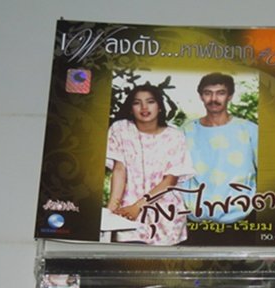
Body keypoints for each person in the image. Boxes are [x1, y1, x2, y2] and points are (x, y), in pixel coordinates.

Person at [106, 83, 195, 244]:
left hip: (165, 214)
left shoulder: (174, 136)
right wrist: (111, 211)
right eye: (137, 102)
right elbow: (119, 170)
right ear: (131, 108)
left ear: (159, 107)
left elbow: (170, 180)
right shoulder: (120, 129)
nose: (144, 107)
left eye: (150, 101)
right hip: (127, 212)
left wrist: (138, 207)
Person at [183, 73, 258, 224]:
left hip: (242, 219)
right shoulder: (186, 131)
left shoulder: (250, 130)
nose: (213, 99)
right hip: (196, 221)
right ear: (201, 96)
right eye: (208, 93)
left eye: (220, 93)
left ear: (230, 96)